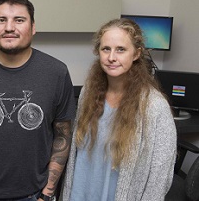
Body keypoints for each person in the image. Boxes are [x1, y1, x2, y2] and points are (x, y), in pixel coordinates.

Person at [0, 0, 76, 201]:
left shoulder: (57, 72)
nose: (9, 27)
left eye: (19, 20)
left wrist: (47, 194)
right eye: (1, 20)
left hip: (34, 194)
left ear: (33, 27)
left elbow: (63, 135)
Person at [60, 18, 177, 201]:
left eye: (121, 49)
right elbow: (77, 156)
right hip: (79, 193)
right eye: (106, 49)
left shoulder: (154, 106)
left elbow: (160, 177)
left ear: (136, 53)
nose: (112, 57)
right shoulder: (88, 93)